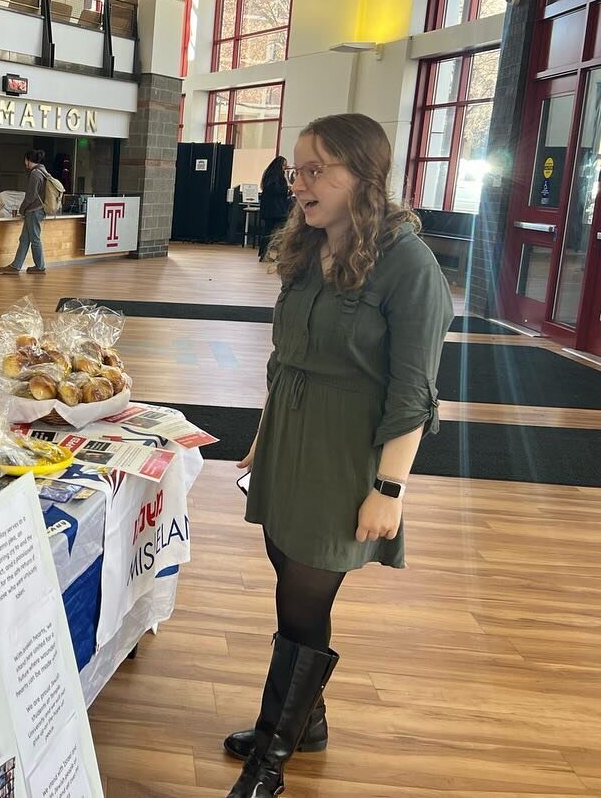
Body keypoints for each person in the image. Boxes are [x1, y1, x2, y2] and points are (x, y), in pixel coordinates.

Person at [224, 114, 453, 798]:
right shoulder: (306, 245)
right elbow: (283, 355)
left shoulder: (408, 264)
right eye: (297, 170)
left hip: (346, 451)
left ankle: (271, 757)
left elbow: (414, 391)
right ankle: (305, 724)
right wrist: (264, 436)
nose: (300, 184)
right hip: (290, 437)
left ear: (364, 175)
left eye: (317, 169)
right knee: (285, 577)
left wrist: (389, 487)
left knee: (303, 600)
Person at [0, 149, 51, 274]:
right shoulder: (43, 171)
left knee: (35, 239)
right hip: (37, 210)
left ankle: (40, 266)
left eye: (25, 160)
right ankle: (16, 265)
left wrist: (22, 209)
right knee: (24, 239)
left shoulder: (35, 174)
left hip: (34, 211)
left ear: (28, 160)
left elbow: (30, 196)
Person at [258, 155, 291, 261]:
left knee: (268, 232)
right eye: (284, 165)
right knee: (280, 232)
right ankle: (278, 255)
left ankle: (264, 254)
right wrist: (288, 190)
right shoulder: (278, 177)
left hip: (269, 210)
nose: (285, 167)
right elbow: (279, 191)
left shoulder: (269, 176)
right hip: (277, 210)